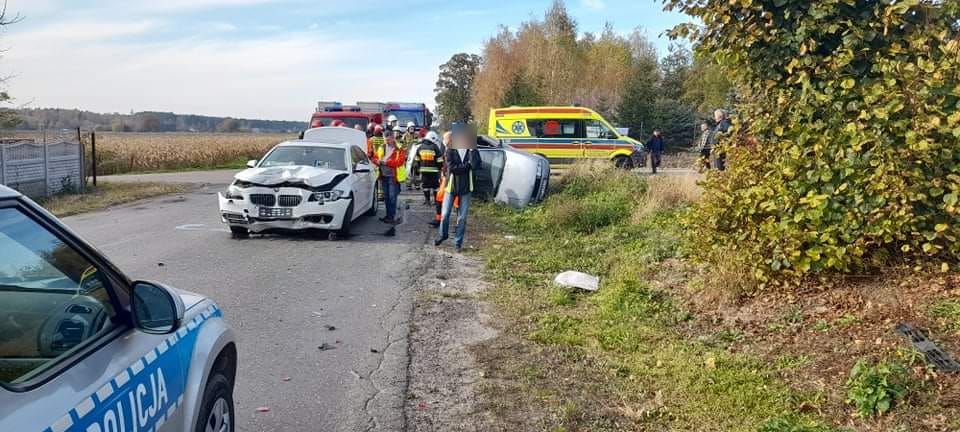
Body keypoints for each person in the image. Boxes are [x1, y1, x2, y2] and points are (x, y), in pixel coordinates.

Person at [435, 124, 481, 253]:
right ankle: (443, 235)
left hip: (466, 187)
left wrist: (472, 151)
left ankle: (458, 242)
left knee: (462, 217)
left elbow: (476, 165)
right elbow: (452, 168)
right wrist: (467, 166)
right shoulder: (450, 150)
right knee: (445, 214)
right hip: (451, 186)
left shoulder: (472, 150)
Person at [370, 132, 406, 225]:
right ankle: (388, 216)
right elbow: (376, 158)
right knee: (386, 197)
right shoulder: (382, 147)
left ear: (393, 138)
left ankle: (391, 216)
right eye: (385, 140)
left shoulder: (399, 148)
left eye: (388, 140)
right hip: (383, 175)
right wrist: (376, 160)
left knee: (392, 197)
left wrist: (387, 163)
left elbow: (400, 162)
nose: (387, 142)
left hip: (393, 177)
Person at [413, 131, 444, 206]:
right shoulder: (435, 147)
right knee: (435, 186)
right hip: (434, 171)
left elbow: (416, 160)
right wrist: (440, 168)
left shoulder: (420, 147)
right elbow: (440, 160)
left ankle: (427, 201)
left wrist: (417, 170)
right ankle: (436, 201)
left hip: (423, 171)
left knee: (425, 186)